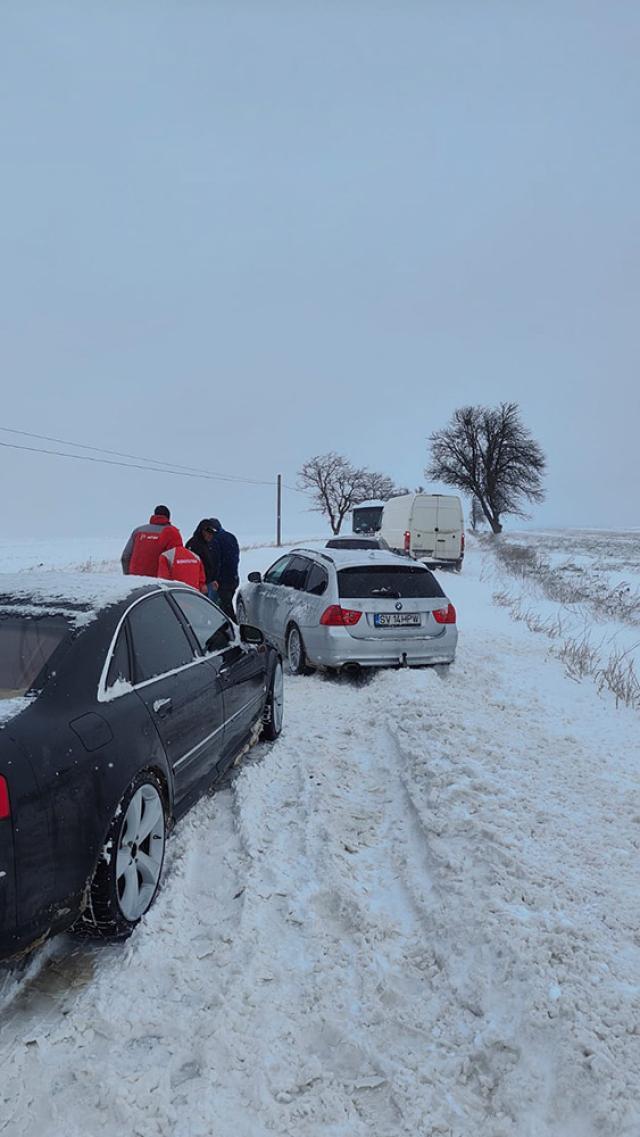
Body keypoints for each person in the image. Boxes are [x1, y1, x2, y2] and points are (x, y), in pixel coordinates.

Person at [121, 506, 182, 577]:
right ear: (168, 517)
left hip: (136, 579)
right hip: (159, 582)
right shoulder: (173, 532)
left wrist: (129, 576)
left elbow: (125, 556)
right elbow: (177, 559)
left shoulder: (138, 531)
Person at [209, 517, 239, 619]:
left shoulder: (214, 539)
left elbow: (216, 561)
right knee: (226, 605)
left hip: (221, 581)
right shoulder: (231, 537)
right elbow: (235, 558)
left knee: (223, 608)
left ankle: (233, 629)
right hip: (233, 578)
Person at [186, 520, 220, 602]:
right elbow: (192, 568)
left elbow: (212, 563)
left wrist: (213, 579)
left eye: (212, 534)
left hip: (209, 584)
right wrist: (201, 584)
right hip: (197, 586)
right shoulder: (193, 544)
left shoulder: (209, 544)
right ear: (202, 531)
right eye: (208, 533)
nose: (210, 536)